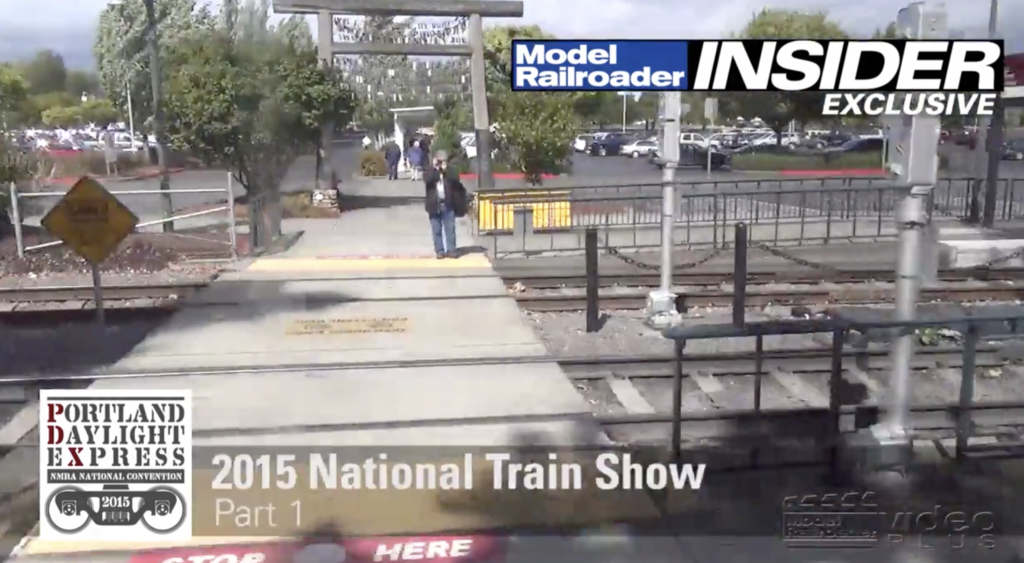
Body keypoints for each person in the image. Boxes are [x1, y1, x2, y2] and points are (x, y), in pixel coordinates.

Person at [423, 150, 467, 259]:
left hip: (448, 203)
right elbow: (427, 180)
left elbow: (456, 180)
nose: (441, 163)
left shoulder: (450, 170)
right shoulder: (430, 170)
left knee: (450, 229)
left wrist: (445, 169)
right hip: (434, 204)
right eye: (439, 160)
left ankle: (451, 250)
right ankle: (440, 251)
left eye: (443, 161)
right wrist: (435, 169)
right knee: (436, 230)